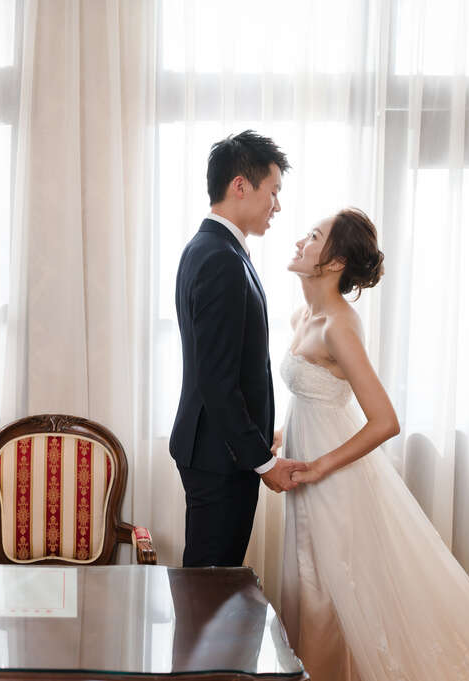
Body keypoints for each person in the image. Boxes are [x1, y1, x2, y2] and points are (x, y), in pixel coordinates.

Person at [278, 208, 469, 681]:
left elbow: (385, 421)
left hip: (333, 478)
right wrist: (282, 435)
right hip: (307, 463)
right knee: (310, 583)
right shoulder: (301, 316)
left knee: (327, 592)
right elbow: (316, 395)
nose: (299, 241)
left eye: (313, 236)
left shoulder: (337, 326)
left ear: (335, 262)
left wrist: (321, 466)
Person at [170, 130, 308, 568]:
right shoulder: (221, 259)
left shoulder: (211, 248)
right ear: (240, 185)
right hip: (219, 456)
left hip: (216, 450)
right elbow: (217, 379)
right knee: (209, 586)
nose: (277, 205)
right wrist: (263, 463)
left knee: (211, 584)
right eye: (274, 191)